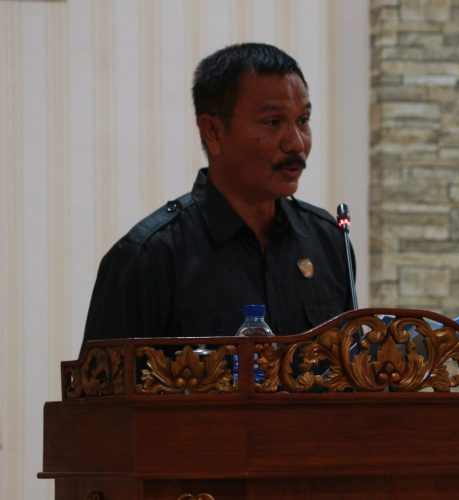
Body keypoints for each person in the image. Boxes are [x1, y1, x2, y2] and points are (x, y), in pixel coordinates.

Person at [81, 43, 355, 351]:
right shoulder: (148, 258)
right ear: (213, 131)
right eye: (273, 122)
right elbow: (104, 383)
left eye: (303, 120)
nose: (296, 143)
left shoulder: (328, 242)